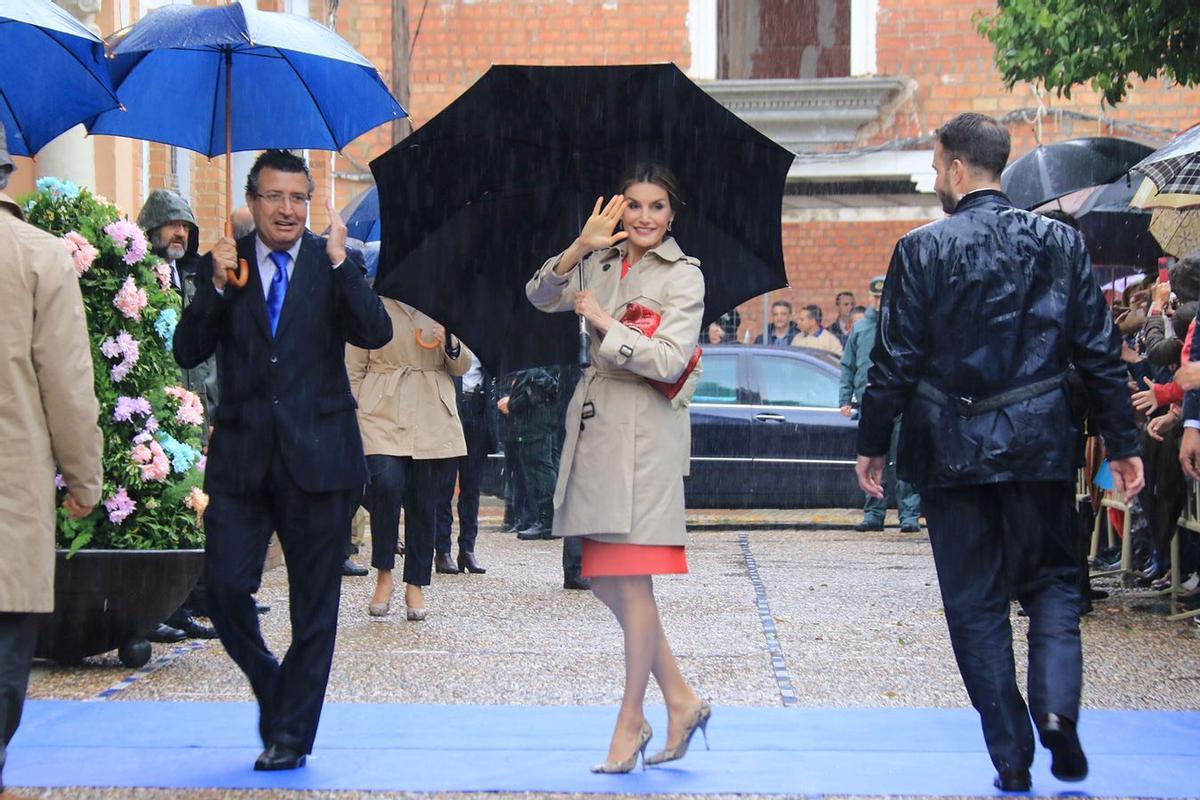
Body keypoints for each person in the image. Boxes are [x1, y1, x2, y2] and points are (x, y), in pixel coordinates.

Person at [856, 113, 1143, 793]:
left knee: (976, 603)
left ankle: (1011, 752)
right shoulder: (1060, 244)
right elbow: (1098, 352)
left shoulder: (920, 249)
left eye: (934, 167)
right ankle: (1055, 710)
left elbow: (894, 361)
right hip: (1040, 443)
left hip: (952, 449)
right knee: (1051, 586)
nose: (934, 179)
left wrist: (872, 444)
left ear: (957, 169)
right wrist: (1123, 442)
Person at [173, 149, 392, 772]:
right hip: (242, 462)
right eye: (274, 197)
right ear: (253, 201)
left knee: (313, 609)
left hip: (320, 462)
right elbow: (188, 347)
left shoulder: (329, 263)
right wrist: (213, 286)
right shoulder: (227, 264)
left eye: (298, 197)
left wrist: (344, 264)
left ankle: (291, 735)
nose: (287, 209)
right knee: (223, 590)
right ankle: (275, 688)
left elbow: (375, 331)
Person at [527, 163, 710, 773]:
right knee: (607, 579)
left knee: (633, 582)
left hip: (647, 434)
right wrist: (580, 244)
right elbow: (539, 296)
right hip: (597, 426)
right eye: (633, 205)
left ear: (672, 214)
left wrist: (606, 324)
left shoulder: (684, 276)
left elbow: (667, 359)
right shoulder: (599, 259)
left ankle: (630, 720)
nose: (643, 217)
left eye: (657, 206)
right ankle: (680, 699)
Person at [0, 122, 103, 793]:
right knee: (7, 643)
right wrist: (86, 481)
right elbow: (68, 384)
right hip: (9, 487)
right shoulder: (38, 257)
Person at [347, 301, 470, 615]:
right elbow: (353, 366)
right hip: (381, 410)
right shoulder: (372, 304)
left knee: (424, 501)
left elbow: (463, 366)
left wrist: (451, 342)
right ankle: (384, 575)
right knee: (385, 486)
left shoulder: (443, 302)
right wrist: (356, 410)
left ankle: (415, 585)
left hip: (432, 413)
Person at [137, 189, 219, 642]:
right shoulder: (138, 277)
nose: (180, 233)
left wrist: (211, 411)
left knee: (194, 509)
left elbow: (207, 354)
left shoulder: (191, 278)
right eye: (172, 224)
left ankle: (186, 601)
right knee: (163, 509)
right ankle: (158, 607)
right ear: (152, 227)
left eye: (186, 225)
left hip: (193, 413)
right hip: (153, 411)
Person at [839, 277, 920, 533]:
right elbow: (848, 365)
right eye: (875, 297)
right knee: (875, 462)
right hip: (870, 405)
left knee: (904, 461)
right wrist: (844, 398)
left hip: (901, 405)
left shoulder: (903, 326)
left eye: (883, 296)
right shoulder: (861, 328)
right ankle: (874, 513)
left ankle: (909, 515)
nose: (879, 301)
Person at [435, 352, 499, 574]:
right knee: (444, 487)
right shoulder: (447, 332)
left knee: (471, 489)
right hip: (450, 410)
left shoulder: (485, 335)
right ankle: (442, 550)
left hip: (478, 410)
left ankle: (467, 549)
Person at [500, 367, 560, 541]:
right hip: (535, 421)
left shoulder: (547, 356)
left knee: (542, 469)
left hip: (540, 421)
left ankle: (547, 522)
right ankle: (545, 521)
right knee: (538, 469)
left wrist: (512, 403)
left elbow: (545, 387)